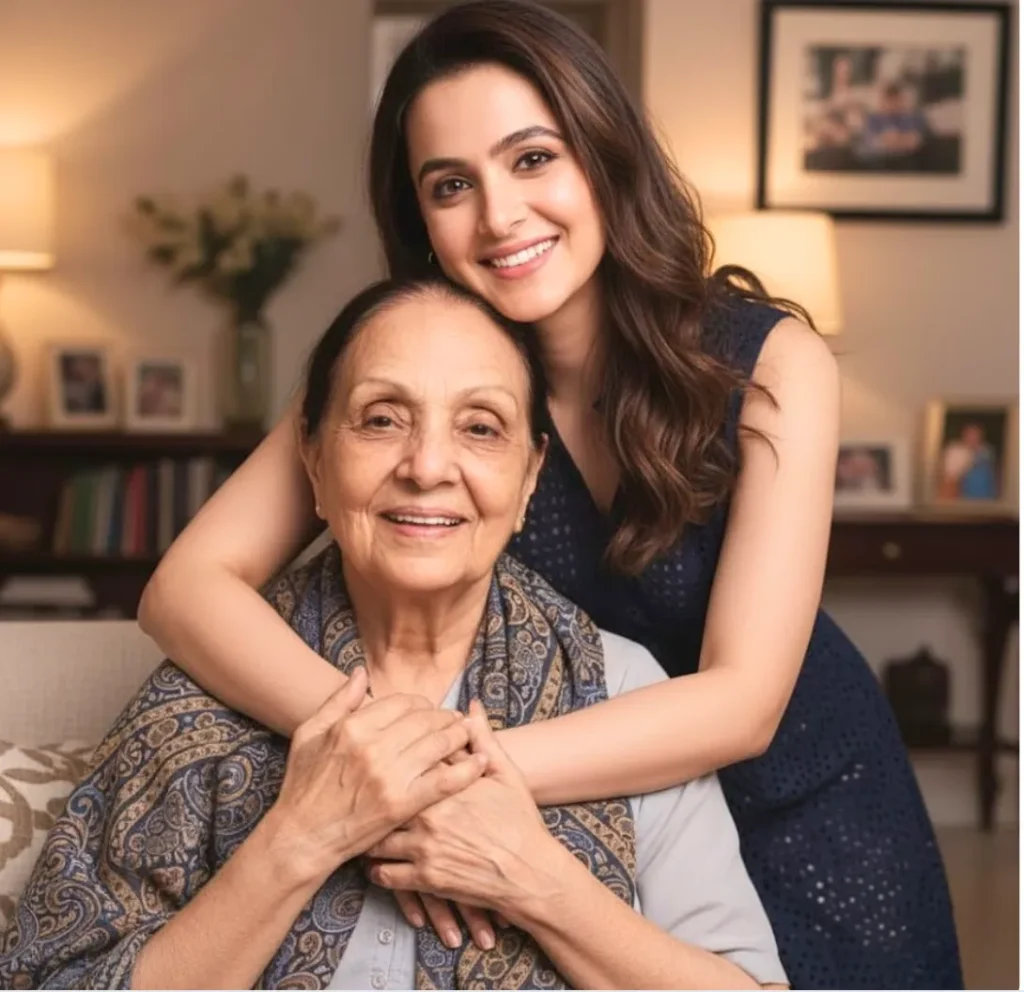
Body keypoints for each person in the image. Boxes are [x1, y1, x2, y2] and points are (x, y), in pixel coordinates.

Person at [136, 2, 963, 987]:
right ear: (419, 221)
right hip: (583, 819)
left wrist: (441, 777)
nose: (498, 215)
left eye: (532, 159)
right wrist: (376, 755)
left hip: (809, 821)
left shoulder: (769, 363)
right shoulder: (423, 377)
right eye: (452, 184)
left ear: (604, 156)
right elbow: (184, 588)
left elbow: (741, 702)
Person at [0, 279, 788, 991]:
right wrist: (297, 842)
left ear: (527, 480)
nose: (428, 465)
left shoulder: (622, 696)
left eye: (481, 428)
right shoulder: (200, 696)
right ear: (312, 459)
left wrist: (538, 884)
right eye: (382, 420)